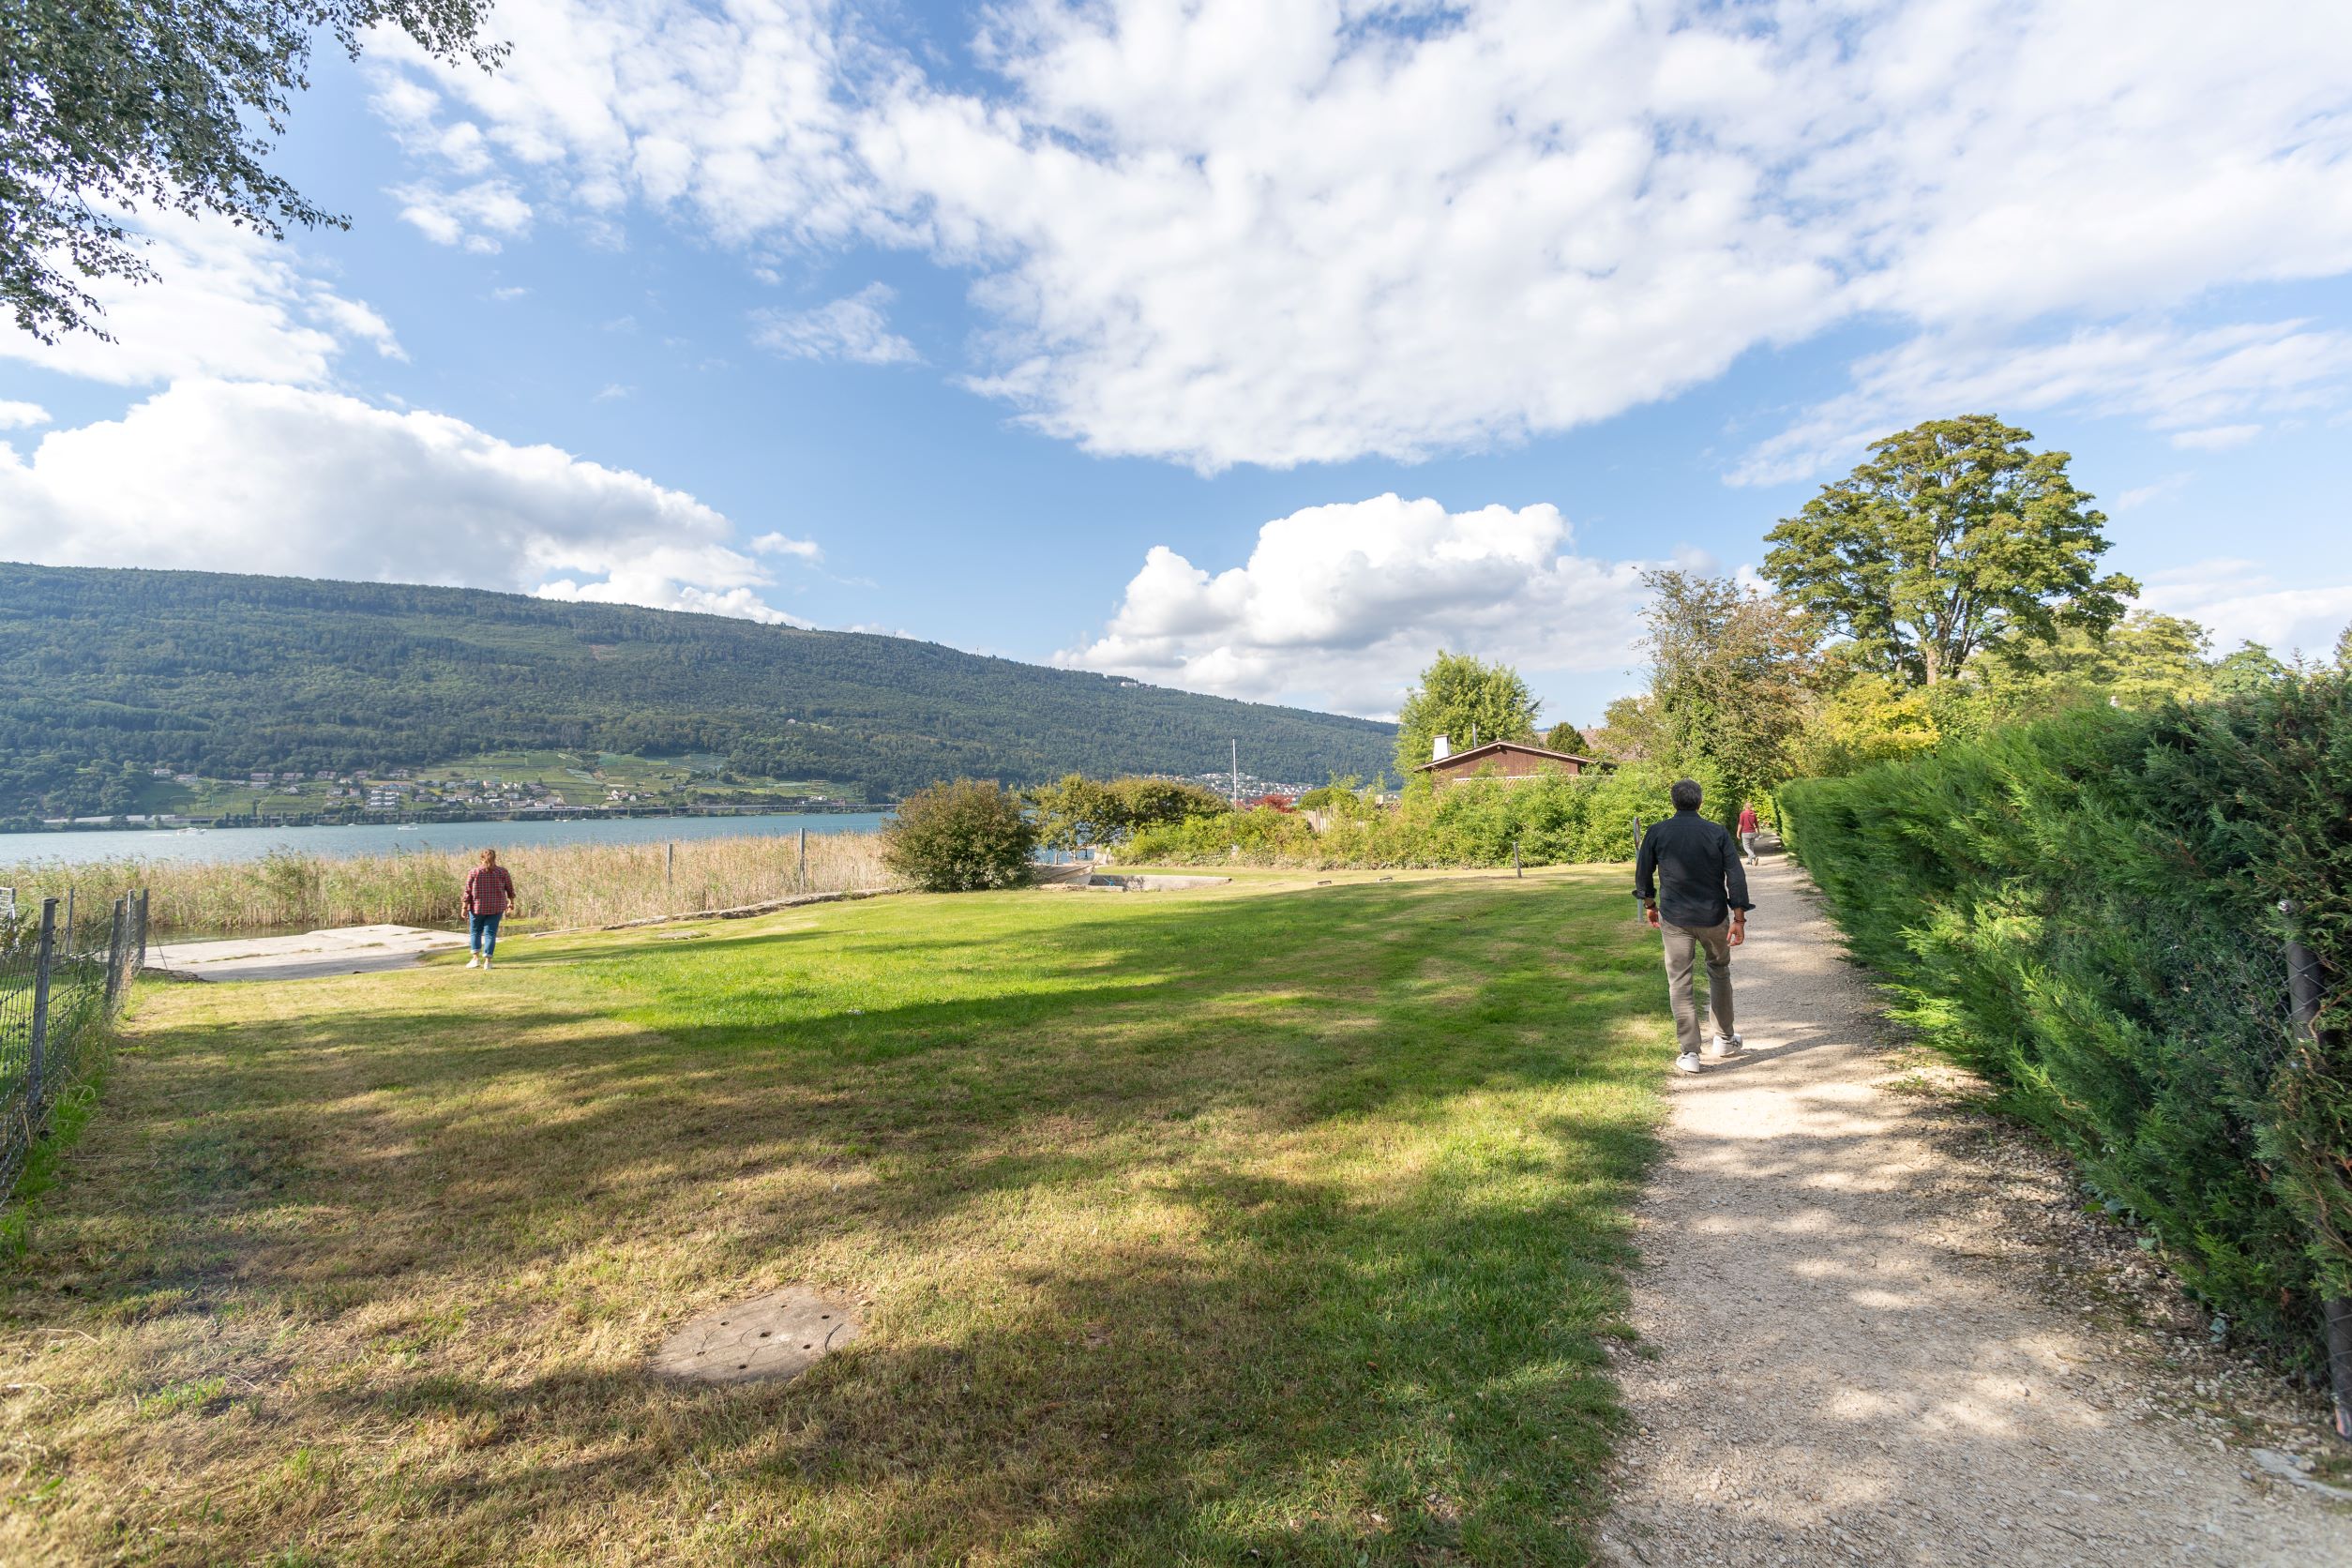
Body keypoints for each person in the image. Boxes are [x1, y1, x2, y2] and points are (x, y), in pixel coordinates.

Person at [1635, 779, 1755, 1075]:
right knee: (1719, 972)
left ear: (1674, 802)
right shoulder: (1716, 832)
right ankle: (1725, 1039)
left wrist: (1651, 905)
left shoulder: (1658, 832)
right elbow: (1735, 875)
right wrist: (1738, 917)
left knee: (1680, 982)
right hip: (1714, 916)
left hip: (1675, 918)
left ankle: (1689, 1053)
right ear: (1699, 802)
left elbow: (1643, 871)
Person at [462, 848, 518, 970]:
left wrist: (464, 907)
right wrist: (511, 903)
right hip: (496, 907)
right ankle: (488, 962)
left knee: (475, 932)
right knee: (490, 934)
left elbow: (467, 891)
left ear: (481, 858)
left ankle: (475, 959)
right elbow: (510, 889)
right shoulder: (502, 872)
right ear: (495, 858)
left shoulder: (474, 872)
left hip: (477, 907)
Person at [1738, 800, 1762, 867]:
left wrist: (1738, 832)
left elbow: (1740, 824)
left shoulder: (1743, 814)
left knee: (1746, 848)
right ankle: (1749, 861)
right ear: (1750, 807)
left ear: (1745, 807)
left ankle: (1754, 856)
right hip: (1753, 832)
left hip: (1745, 833)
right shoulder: (1753, 814)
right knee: (1751, 847)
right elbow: (1757, 824)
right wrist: (1758, 833)